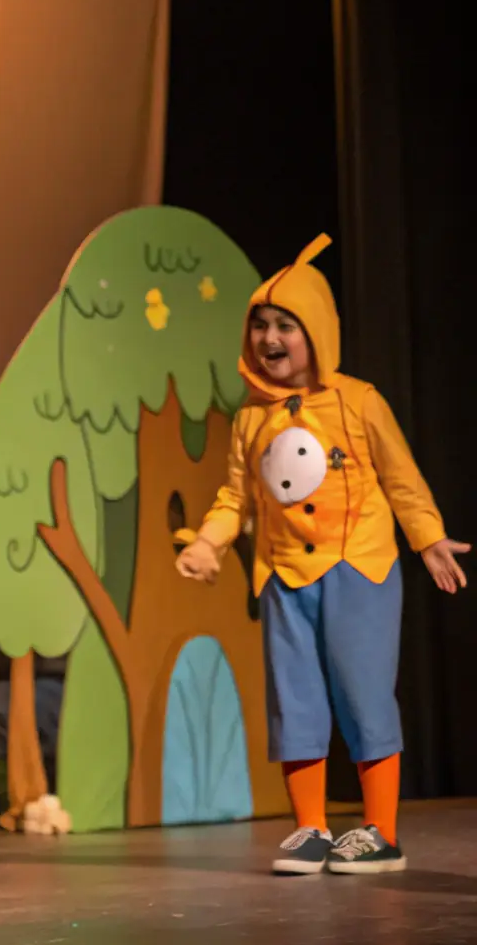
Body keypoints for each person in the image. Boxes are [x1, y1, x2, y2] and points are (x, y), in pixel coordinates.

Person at [176, 235, 468, 875]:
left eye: (285, 325)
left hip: (358, 567)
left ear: (317, 332)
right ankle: (310, 829)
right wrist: (208, 540)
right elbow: (236, 494)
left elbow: (401, 477)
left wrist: (428, 537)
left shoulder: (358, 401)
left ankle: (381, 832)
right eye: (260, 326)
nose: (269, 339)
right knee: (296, 701)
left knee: (363, 694)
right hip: (284, 574)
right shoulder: (251, 417)